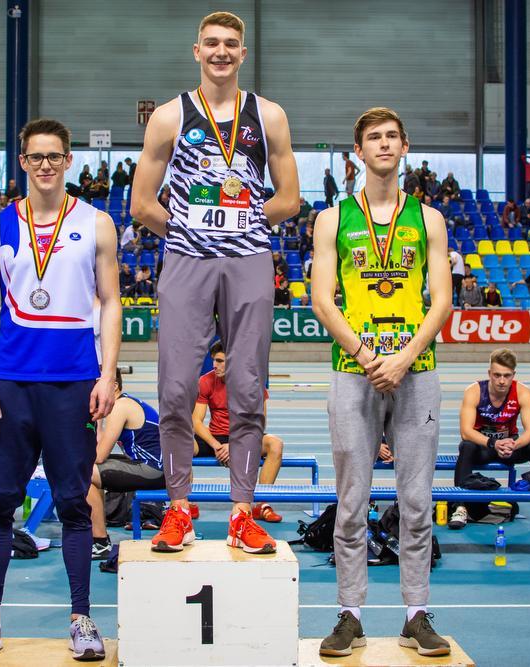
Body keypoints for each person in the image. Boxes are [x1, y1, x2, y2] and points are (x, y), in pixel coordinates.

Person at [130, 11, 299, 554]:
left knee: (248, 389)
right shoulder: (168, 117)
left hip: (249, 258)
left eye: (231, 44)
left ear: (243, 54)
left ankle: (242, 512)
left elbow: (289, 199)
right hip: (186, 259)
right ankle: (178, 508)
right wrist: (188, 228)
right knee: (176, 390)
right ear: (196, 51)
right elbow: (141, 204)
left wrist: (247, 221)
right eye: (212, 44)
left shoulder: (268, 114)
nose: (221, 52)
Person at [0, 117, 120, 661]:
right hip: (11, 383)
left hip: (73, 382)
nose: (45, 165)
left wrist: (105, 376)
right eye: (35, 157)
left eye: (54, 156)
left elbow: (111, 302)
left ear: (69, 161)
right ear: (22, 162)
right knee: (1, 501)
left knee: (75, 503)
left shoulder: (96, 223)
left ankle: (81, 620)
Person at [311, 107, 452, 658]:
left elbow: (440, 300)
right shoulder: (333, 219)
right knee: (352, 502)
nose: (384, 145)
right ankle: (350, 614)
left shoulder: (430, 219)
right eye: (374, 138)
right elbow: (324, 300)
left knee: (417, 501)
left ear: (406, 146)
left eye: (392, 136)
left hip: (416, 370)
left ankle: (416, 615)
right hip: (354, 370)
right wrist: (370, 356)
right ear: (358, 152)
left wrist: (404, 357)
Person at [450, 349, 530, 530]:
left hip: (510, 447)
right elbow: (466, 431)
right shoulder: (474, 391)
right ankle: (461, 508)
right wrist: (493, 443)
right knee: (466, 446)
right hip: (484, 448)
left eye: (507, 376)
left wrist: (515, 444)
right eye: (497, 375)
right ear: (489, 374)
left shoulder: (522, 392)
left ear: (513, 375)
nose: (502, 380)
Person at [193, 340, 285, 521]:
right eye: (214, 360)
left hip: (245, 435)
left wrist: (234, 446)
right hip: (216, 438)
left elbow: (259, 422)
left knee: (275, 444)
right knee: (182, 443)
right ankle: (186, 504)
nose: (214, 365)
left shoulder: (253, 382)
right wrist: (217, 445)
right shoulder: (205, 381)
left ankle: (261, 504)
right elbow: (195, 421)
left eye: (220, 361)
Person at [87, 369, 165, 560]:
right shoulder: (125, 403)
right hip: (151, 466)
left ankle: (100, 542)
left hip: (155, 470)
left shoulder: (121, 406)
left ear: (113, 386)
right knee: (87, 469)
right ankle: (98, 535)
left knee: (84, 474)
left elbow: (99, 455)